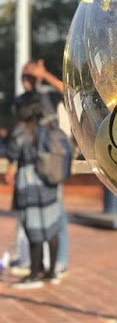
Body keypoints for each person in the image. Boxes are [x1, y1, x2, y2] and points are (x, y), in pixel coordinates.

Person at [10, 60, 69, 277]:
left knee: (52, 219)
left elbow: (68, 91)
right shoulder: (19, 102)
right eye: (24, 75)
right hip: (28, 167)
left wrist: (45, 75)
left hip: (48, 166)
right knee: (33, 220)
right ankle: (40, 268)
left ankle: (52, 267)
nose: (27, 80)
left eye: (30, 76)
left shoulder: (47, 97)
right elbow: (18, 135)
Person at [5, 95, 60, 288]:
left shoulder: (21, 131)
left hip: (28, 182)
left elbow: (12, 153)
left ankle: (35, 273)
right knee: (52, 226)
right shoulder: (48, 127)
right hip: (48, 180)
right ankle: (51, 271)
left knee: (33, 227)